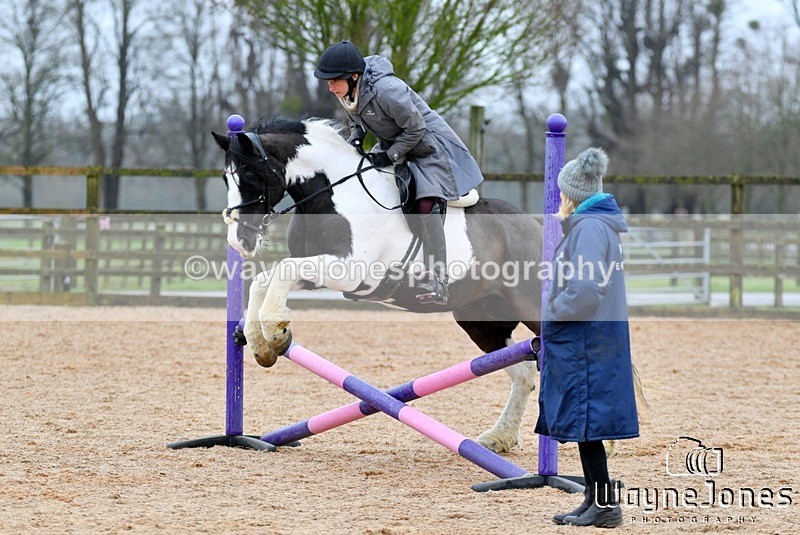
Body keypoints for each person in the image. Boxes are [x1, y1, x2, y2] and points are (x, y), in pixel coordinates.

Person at [313, 41, 484, 305]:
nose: (331, 87)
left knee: (425, 201)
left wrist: (390, 155)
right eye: (329, 81)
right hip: (397, 144)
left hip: (428, 148)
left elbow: (416, 129)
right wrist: (357, 138)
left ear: (354, 76)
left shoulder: (387, 90)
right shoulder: (350, 91)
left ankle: (439, 277)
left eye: (335, 81)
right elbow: (355, 119)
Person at [534, 148, 639, 528]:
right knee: (586, 426)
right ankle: (596, 500)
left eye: (562, 193)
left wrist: (552, 312)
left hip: (586, 341)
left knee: (588, 423)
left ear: (571, 195)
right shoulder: (591, 225)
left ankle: (606, 505)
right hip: (589, 340)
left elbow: (585, 289)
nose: (559, 199)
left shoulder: (590, 228)